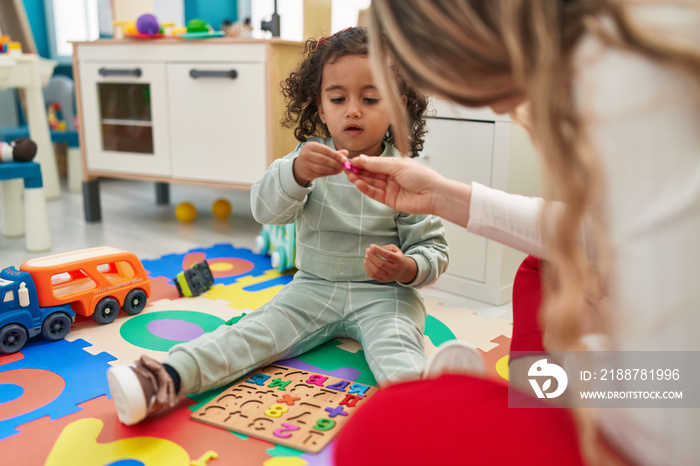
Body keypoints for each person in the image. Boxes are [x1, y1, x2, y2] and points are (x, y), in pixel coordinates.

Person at [335, 1, 700, 465]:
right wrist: (443, 196)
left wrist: (568, 369)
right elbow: (604, 228)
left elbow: (677, 413)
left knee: (382, 425)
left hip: (667, 418)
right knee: (540, 269)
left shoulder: (630, 83)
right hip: (658, 386)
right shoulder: (622, 49)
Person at [106, 26, 448, 426]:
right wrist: (297, 175)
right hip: (315, 286)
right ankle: (163, 378)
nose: (352, 109)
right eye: (338, 98)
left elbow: (433, 250)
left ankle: (431, 419)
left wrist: (406, 267)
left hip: (386, 296)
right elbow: (265, 210)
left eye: (370, 98)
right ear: (321, 109)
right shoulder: (307, 159)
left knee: (399, 350)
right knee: (253, 332)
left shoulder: (408, 174)